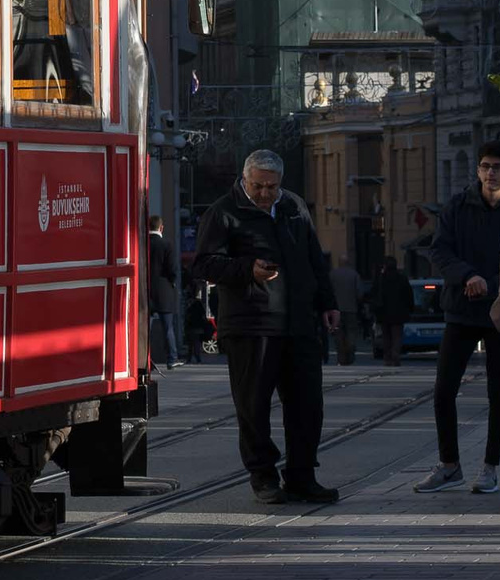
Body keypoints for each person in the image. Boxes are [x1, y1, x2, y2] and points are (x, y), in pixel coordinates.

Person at [193, 151, 343, 505]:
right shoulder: (224, 211)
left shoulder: (293, 206)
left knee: (308, 405)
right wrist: (248, 270)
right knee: (253, 406)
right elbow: (204, 263)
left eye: (271, 187)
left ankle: (302, 476)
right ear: (245, 179)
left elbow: (312, 257)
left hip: (299, 322)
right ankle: (263, 476)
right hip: (251, 325)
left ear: (281, 184)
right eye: (257, 186)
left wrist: (328, 302)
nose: (263, 194)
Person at [417, 141, 500, 496]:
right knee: (443, 390)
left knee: (498, 392)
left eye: (498, 167)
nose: (490, 172)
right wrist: (467, 276)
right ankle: (449, 465)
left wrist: (492, 284)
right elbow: (439, 249)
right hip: (461, 308)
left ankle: (490, 468)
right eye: (485, 166)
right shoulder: (458, 206)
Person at [146, 216, 183, 368]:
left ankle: (146, 360)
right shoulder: (167, 245)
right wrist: (172, 283)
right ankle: (171, 359)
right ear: (161, 227)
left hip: (146, 290)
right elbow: (173, 269)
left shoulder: (143, 244)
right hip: (164, 291)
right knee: (167, 327)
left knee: (144, 328)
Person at [368, 251, 412, 364]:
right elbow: (408, 295)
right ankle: (395, 355)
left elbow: (373, 293)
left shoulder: (381, 279)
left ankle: (387, 357)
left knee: (386, 336)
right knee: (397, 336)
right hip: (399, 313)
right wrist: (409, 309)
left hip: (383, 312)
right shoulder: (402, 279)